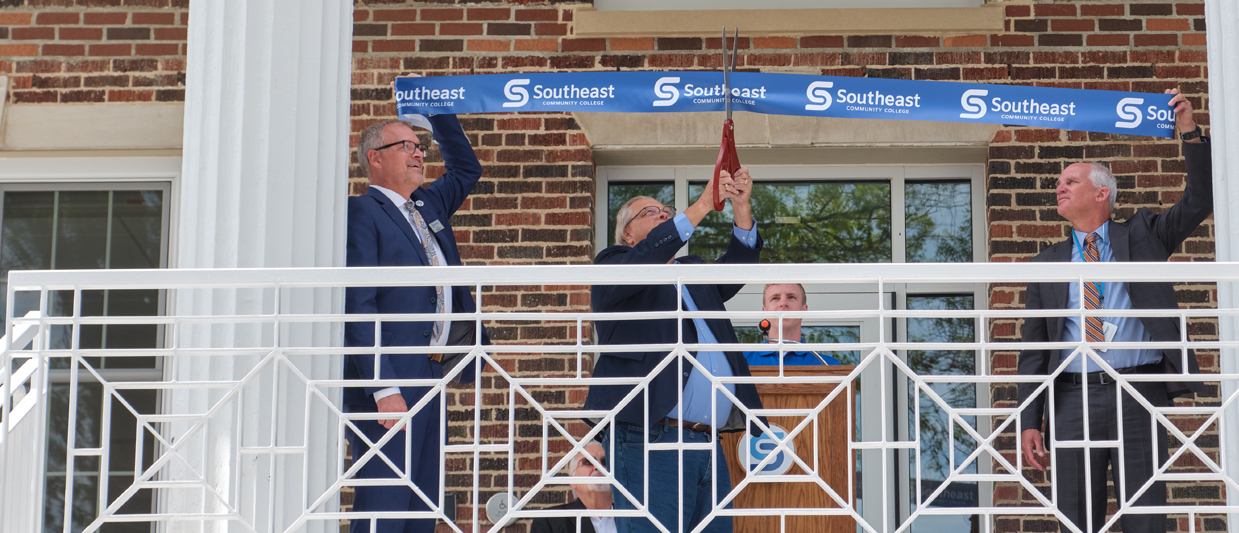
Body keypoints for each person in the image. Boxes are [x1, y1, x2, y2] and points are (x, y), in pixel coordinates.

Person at [1017, 88, 1211, 533]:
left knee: (1144, 519)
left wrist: (1190, 133)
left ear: (1102, 193)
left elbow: (1198, 202)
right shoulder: (1047, 263)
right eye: (1059, 183)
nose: (1059, 188)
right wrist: (1030, 419)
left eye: (1071, 181)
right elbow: (1033, 348)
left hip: (1137, 392)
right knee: (1076, 520)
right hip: (1070, 397)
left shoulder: (1143, 235)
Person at [585, 168, 767, 533]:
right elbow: (649, 255)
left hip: (707, 439)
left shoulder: (692, 269)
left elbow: (736, 269)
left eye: (666, 211)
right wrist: (702, 204)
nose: (663, 215)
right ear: (628, 234)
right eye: (650, 213)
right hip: (649, 436)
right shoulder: (615, 264)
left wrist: (740, 205)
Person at [344, 111, 488, 533]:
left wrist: (438, 114)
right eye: (405, 145)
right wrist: (383, 387)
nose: (417, 153)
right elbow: (359, 304)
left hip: (432, 370)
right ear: (375, 158)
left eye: (419, 146)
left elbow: (467, 169)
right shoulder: (362, 212)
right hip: (390, 378)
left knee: (423, 506)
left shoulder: (428, 204)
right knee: (386, 501)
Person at [743, 283, 841, 366]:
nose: (783, 303)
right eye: (775, 298)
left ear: (804, 310)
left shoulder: (828, 365)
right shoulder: (742, 362)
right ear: (764, 312)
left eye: (791, 297)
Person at [530, 442, 615, 533]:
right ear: (573, 481)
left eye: (605, 462)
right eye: (588, 462)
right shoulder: (549, 521)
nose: (598, 466)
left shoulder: (630, 516)